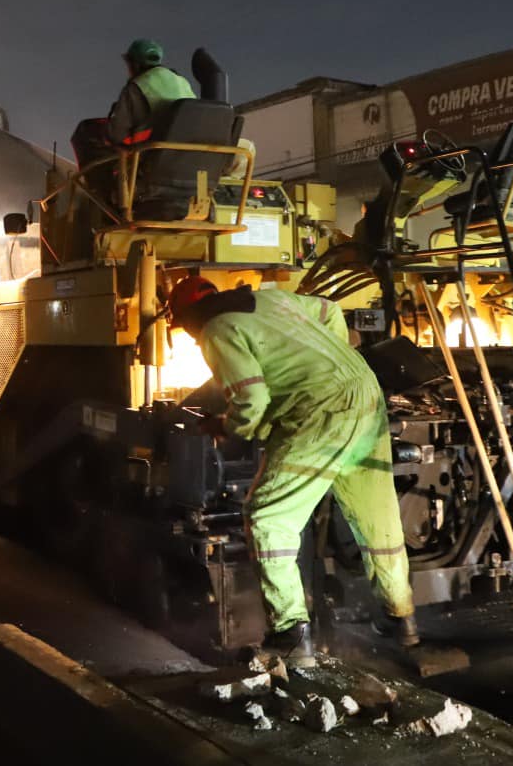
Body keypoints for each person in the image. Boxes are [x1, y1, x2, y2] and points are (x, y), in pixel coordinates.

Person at [167, 276, 416, 667]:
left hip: (319, 412)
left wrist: (230, 428)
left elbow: (251, 397)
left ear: (184, 319)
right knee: (377, 516)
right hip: (365, 392)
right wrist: (335, 362)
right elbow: (330, 310)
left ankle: (291, 637)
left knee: (268, 517)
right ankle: (403, 620)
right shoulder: (270, 299)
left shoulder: (216, 330)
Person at [70, 39, 197, 168]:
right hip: (192, 158)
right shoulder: (182, 81)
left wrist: (107, 135)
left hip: (153, 160)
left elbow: (116, 135)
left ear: (134, 64)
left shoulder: (137, 86)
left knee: (88, 135)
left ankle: (102, 187)